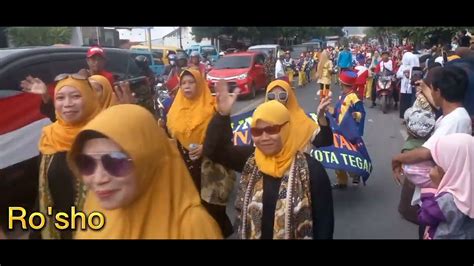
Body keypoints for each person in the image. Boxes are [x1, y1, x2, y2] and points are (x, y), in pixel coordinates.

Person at [67, 104, 222, 239]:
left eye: (115, 162)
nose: (98, 178)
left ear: (148, 162)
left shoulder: (192, 227)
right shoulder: (95, 212)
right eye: (86, 163)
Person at [205, 98, 334, 239]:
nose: (264, 137)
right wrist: (222, 115)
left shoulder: (311, 170)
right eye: (257, 132)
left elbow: (324, 227)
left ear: (286, 128)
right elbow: (214, 151)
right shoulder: (251, 162)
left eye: (271, 129)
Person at [392, 66, 472, 238]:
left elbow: (427, 152)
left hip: (442, 198)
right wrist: (426, 88)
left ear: (439, 91)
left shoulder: (455, 120)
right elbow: (436, 104)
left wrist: (398, 158)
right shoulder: (454, 115)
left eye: (433, 89)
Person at [29, 74, 100, 239]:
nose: (67, 104)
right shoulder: (49, 137)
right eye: (60, 97)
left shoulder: (104, 135)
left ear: (89, 98)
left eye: (76, 96)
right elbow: (42, 191)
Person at [166, 68, 233, 237]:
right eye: (183, 83)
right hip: (186, 168)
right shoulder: (174, 110)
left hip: (210, 168)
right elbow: (172, 136)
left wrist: (206, 147)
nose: (187, 86)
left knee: (213, 210)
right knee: (193, 211)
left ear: (200, 84)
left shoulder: (212, 108)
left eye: (191, 82)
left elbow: (225, 139)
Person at [418, 133, 474, 239]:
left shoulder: (447, 200)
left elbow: (424, 216)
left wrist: (435, 187)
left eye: (437, 162)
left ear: (452, 165)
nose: (434, 166)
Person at [330, 71, 366, 189]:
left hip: (350, 132)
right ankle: (342, 181)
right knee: (338, 155)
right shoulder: (342, 96)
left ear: (343, 84)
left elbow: (361, 113)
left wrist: (353, 115)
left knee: (350, 154)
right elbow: (337, 112)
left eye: (342, 84)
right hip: (339, 130)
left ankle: (355, 173)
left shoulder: (354, 97)